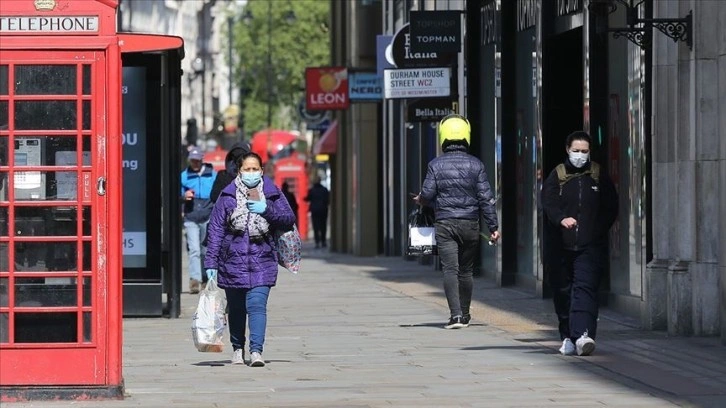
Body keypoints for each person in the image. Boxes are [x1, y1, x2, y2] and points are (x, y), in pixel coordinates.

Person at [203, 152, 295, 366]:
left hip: (262, 260)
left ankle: (256, 352)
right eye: (247, 169)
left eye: (255, 169)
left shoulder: (272, 194)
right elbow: (215, 230)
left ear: (262, 171)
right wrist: (211, 262)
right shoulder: (227, 197)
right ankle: (237, 349)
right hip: (232, 261)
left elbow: (288, 219)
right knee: (236, 309)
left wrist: (267, 210)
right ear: (239, 171)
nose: (251, 173)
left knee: (256, 305)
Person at [414, 114, 500, 329]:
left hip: (445, 224)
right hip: (470, 223)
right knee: (466, 270)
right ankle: (466, 313)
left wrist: (421, 199)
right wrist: (494, 227)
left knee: (450, 269)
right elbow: (486, 198)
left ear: (443, 136)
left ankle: (456, 316)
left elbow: (427, 193)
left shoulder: (435, 164)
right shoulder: (476, 164)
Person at [542, 131, 618, 356]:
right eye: (576, 150)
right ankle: (567, 336)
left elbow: (610, 207)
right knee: (564, 291)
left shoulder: (597, 175)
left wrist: (596, 229)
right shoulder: (558, 175)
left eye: (584, 151)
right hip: (560, 245)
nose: (580, 155)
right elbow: (548, 203)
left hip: (589, 245)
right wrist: (561, 219)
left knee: (585, 289)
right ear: (568, 149)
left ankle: (584, 335)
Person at [180, 147, 216, 294]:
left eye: (197, 160)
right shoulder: (184, 176)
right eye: (192, 160)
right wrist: (184, 195)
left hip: (207, 216)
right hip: (191, 216)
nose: (194, 163)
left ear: (202, 160)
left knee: (205, 250)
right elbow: (178, 193)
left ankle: (206, 277)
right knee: (194, 249)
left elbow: (216, 194)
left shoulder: (212, 175)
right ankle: (194, 280)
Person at [304, 178, 330, 248]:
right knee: (323, 226)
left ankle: (317, 242)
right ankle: (323, 241)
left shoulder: (312, 190)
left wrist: (303, 198)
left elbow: (307, 198)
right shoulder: (324, 189)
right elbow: (328, 199)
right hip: (323, 210)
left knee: (316, 227)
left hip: (314, 211)